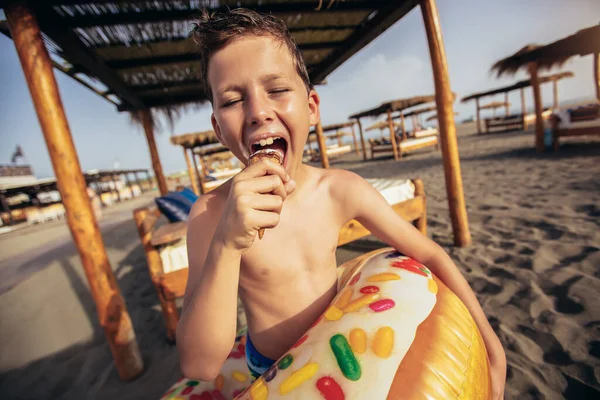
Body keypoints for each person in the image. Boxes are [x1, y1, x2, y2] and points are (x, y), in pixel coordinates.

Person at [177, 8, 506, 399]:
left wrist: (493, 349)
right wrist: (227, 243)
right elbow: (199, 365)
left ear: (311, 107)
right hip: (270, 371)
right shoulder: (211, 213)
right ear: (217, 128)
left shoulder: (339, 189)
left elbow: (430, 255)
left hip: (342, 344)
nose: (258, 112)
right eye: (232, 100)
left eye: (277, 90)